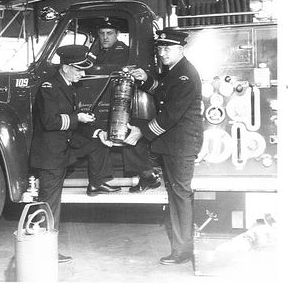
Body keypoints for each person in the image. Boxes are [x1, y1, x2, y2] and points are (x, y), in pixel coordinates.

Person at [29, 45, 120, 263]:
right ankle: (45, 251)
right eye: (79, 70)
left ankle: (97, 183)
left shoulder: (68, 85)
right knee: (49, 203)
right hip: (51, 154)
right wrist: (77, 117)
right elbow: (50, 122)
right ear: (66, 67)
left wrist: (97, 132)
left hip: (65, 146)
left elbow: (74, 123)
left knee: (98, 142)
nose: (83, 74)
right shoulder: (49, 87)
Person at [124, 28, 203, 266]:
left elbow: (169, 115)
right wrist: (145, 79)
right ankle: (146, 175)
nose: (162, 53)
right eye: (160, 48)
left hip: (181, 143)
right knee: (175, 193)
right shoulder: (174, 71)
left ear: (180, 49)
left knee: (180, 194)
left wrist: (143, 133)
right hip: (173, 142)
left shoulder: (185, 76)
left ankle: (183, 250)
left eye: (167, 48)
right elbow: (161, 92)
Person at [90, 18, 161, 192]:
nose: (105, 37)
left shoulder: (121, 50)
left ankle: (144, 174)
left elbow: (97, 68)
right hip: (110, 101)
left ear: (117, 35)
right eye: (102, 33)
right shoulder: (101, 50)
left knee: (126, 130)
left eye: (109, 33)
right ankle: (107, 178)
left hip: (120, 100)